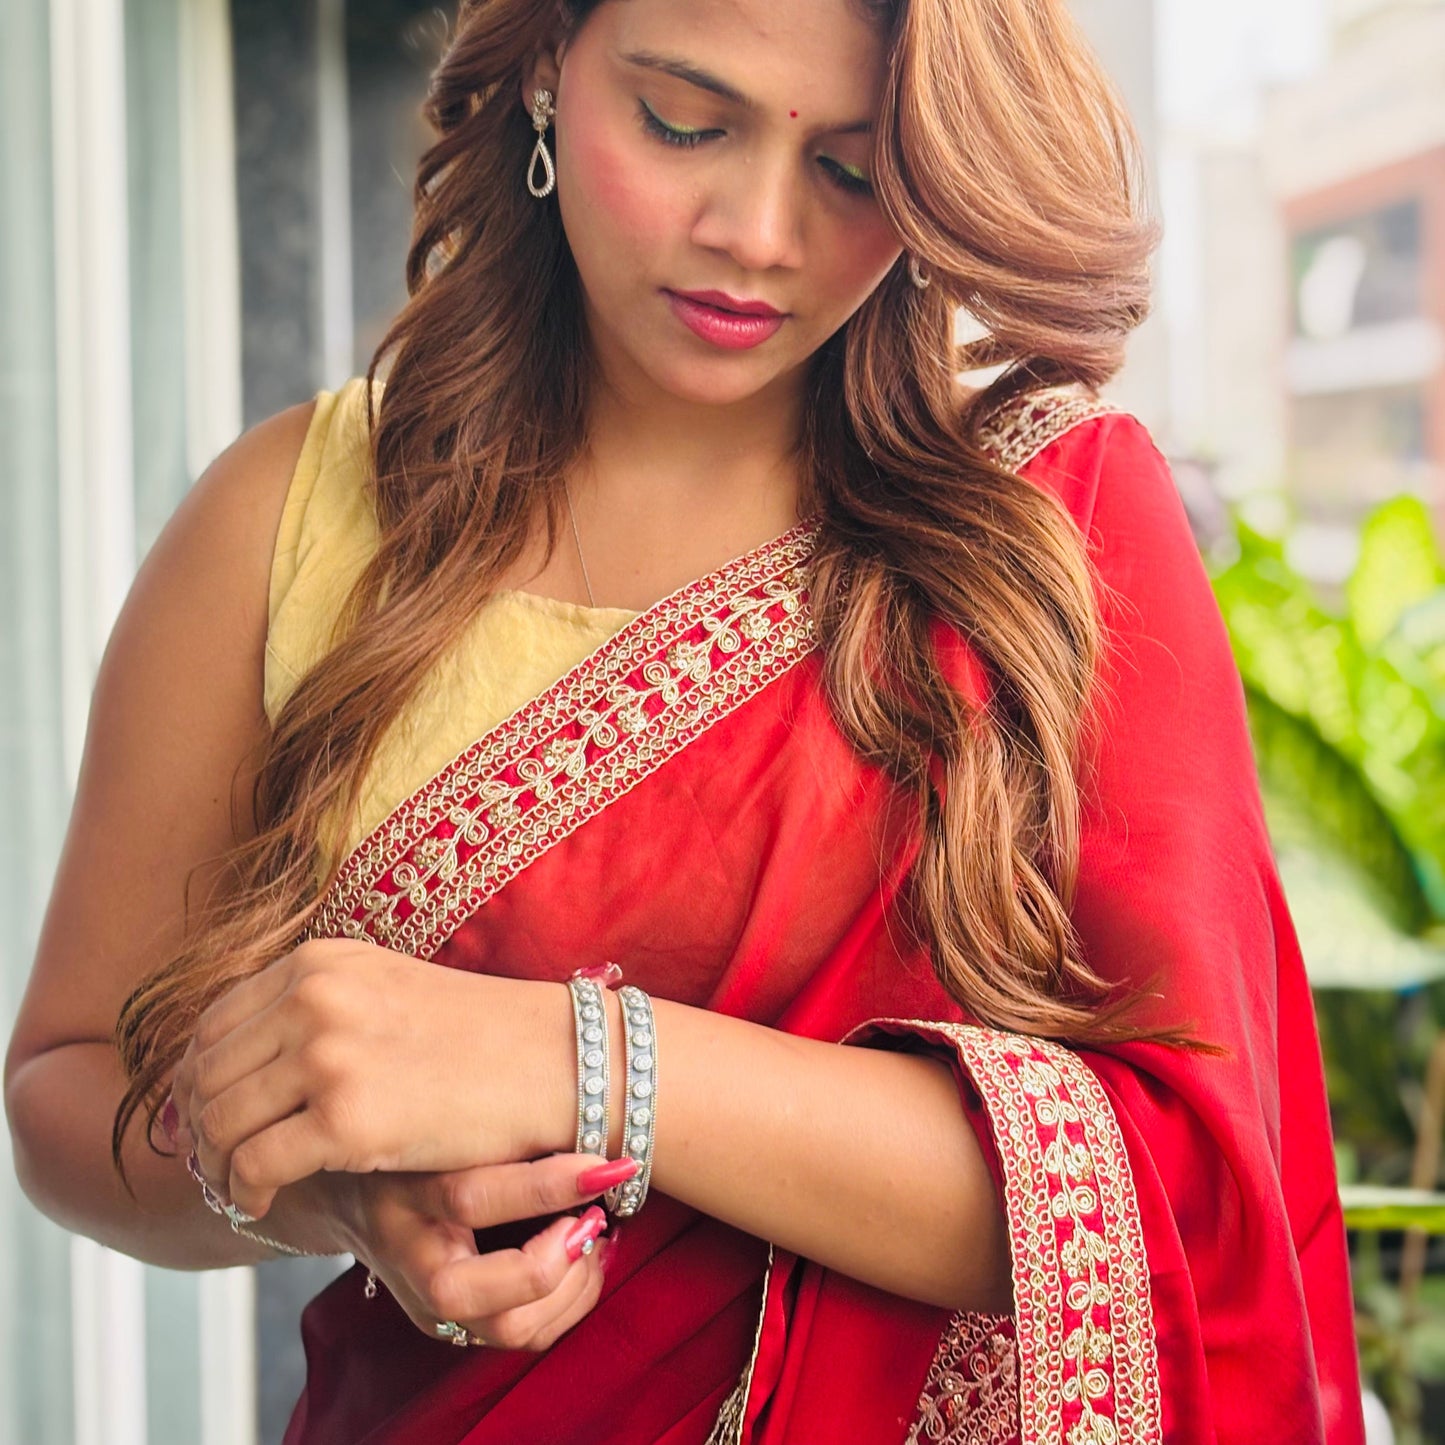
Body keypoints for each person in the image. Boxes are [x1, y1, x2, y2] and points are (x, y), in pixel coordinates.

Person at [3, 0, 1366, 1440]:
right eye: (681, 122)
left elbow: (1182, 1206)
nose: (757, 233)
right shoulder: (287, 517)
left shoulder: (1046, 535)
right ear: (541, 65)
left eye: (853, 168)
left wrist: (577, 1061)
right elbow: (70, 1082)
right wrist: (330, 1188)